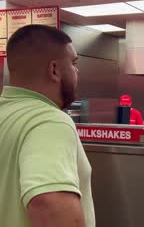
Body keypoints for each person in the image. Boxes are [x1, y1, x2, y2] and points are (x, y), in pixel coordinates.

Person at [0, 25, 94, 227]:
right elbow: (49, 203)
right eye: (73, 62)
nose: (76, 70)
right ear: (54, 69)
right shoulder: (49, 121)